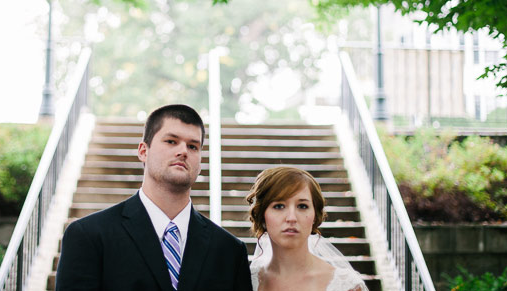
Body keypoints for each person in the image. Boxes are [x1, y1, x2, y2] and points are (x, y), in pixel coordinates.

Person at [56, 103, 252, 291]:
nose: (183, 151)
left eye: (193, 146)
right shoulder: (89, 236)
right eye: (171, 141)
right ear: (143, 151)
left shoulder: (229, 251)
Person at [246, 166, 368, 291]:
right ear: (261, 215)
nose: (291, 217)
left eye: (302, 206)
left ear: (315, 215)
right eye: (279, 206)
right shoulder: (247, 281)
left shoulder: (347, 286)